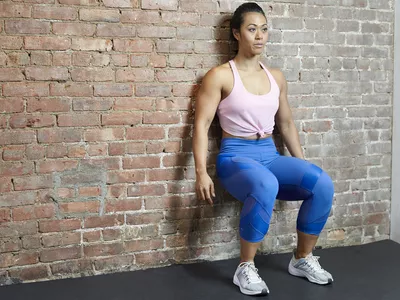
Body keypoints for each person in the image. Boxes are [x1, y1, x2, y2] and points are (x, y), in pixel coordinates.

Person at [192, 2, 334, 297]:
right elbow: (201, 125)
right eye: (252, 29)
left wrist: (302, 167)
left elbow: (286, 123)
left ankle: (302, 259)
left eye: (264, 29)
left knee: (321, 182)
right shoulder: (220, 75)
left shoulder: (276, 77)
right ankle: (245, 267)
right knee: (265, 183)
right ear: (236, 33)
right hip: (235, 157)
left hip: (269, 154)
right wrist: (201, 172)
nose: (259, 36)